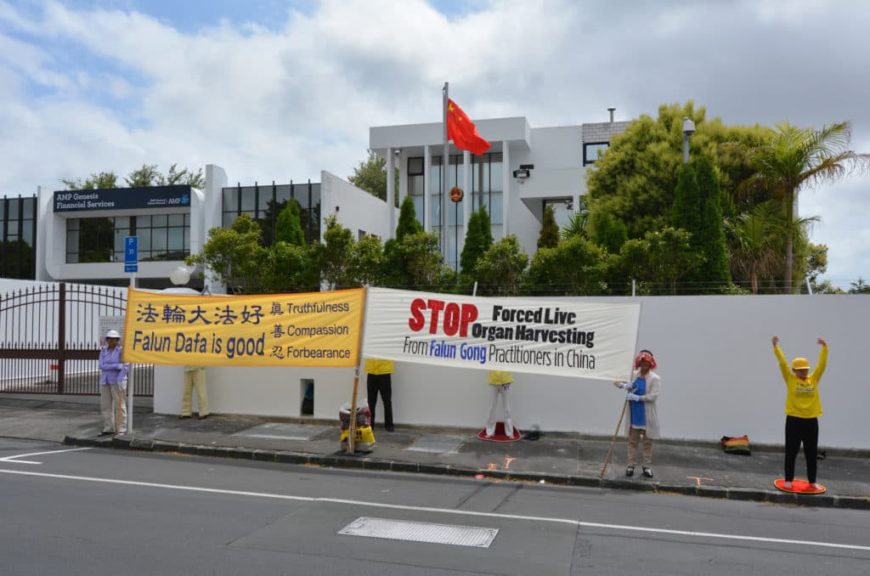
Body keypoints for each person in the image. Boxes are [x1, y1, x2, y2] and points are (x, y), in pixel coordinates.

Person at [771, 336, 828, 490]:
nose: (804, 372)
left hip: (811, 420)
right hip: (794, 420)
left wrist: (824, 348)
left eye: (805, 369)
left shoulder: (813, 379)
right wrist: (776, 347)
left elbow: (822, 366)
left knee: (811, 453)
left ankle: (812, 481)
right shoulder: (790, 379)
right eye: (800, 370)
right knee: (791, 451)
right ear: (794, 370)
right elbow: (783, 363)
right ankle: (788, 480)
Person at [613, 350, 661, 478]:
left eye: (646, 363)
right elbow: (615, 381)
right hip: (634, 415)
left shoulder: (654, 379)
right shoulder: (633, 375)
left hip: (647, 417)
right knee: (632, 442)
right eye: (642, 363)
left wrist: (638, 398)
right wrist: (624, 385)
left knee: (647, 443)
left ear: (650, 364)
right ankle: (631, 465)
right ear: (639, 363)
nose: (644, 366)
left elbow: (654, 396)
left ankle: (646, 466)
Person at [98, 329, 129, 435]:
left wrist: (120, 376)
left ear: (117, 340)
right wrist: (116, 366)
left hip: (117, 381)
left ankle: (121, 428)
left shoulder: (121, 351)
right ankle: (108, 428)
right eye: (109, 339)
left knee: (119, 405)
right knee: (106, 405)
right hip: (105, 380)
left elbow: (125, 366)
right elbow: (101, 366)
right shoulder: (103, 351)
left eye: (114, 339)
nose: (111, 341)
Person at [365, 358, 395, 431]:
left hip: (384, 372)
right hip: (371, 372)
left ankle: (389, 425)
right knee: (371, 402)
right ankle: (370, 425)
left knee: (387, 401)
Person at [485, 370, 514, 438]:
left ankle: (510, 432)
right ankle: (490, 431)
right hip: (493, 380)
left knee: (507, 407)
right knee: (491, 407)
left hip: (506, 380)